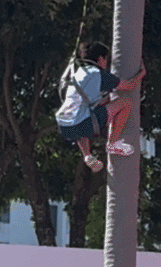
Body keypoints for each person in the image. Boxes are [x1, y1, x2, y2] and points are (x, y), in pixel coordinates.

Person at [56, 41, 146, 172]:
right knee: (126, 102)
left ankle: (87, 155)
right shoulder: (99, 75)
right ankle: (113, 143)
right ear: (101, 59)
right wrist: (142, 73)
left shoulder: (79, 72)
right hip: (81, 123)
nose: (106, 63)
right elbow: (129, 86)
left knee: (83, 115)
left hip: (64, 125)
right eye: (106, 60)